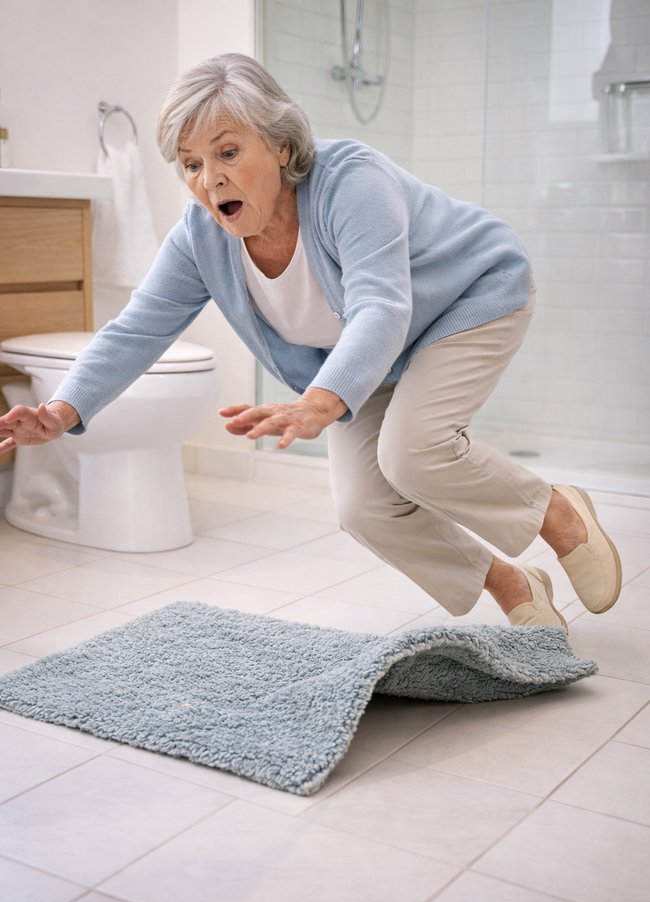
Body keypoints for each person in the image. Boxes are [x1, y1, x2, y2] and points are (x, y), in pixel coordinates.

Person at [0, 53, 621, 630]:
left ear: (281, 145)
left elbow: (381, 305)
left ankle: (559, 514)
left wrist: (320, 402)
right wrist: (61, 410)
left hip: (467, 298)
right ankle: (512, 583)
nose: (210, 180)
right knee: (363, 507)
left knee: (413, 452)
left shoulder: (352, 181)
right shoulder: (200, 238)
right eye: (191, 164)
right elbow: (138, 328)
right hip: (371, 354)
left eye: (227, 152)